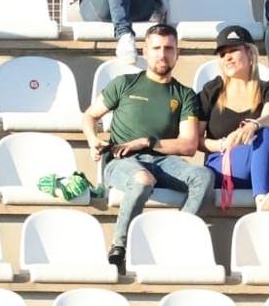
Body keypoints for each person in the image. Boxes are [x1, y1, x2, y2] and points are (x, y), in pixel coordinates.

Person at [83, 24, 212, 271]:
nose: (162, 54)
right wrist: (93, 140)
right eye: (156, 48)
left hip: (164, 161)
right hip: (123, 162)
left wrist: (148, 142)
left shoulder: (184, 95)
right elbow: (89, 116)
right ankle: (120, 246)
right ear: (144, 51)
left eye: (168, 48)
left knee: (204, 176)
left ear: (177, 53)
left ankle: (175, 240)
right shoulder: (124, 84)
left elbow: (188, 145)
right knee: (143, 179)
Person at [198, 24, 269, 210]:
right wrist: (223, 144)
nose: (227, 57)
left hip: (257, 164)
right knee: (266, 134)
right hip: (221, 163)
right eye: (222, 53)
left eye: (233, 50)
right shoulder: (211, 90)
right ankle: (261, 199)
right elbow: (197, 140)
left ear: (250, 54)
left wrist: (253, 124)